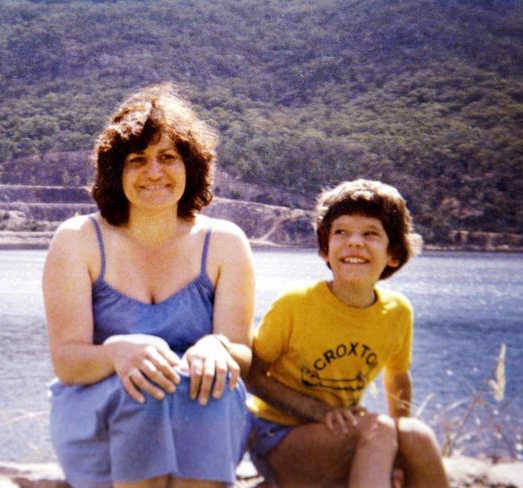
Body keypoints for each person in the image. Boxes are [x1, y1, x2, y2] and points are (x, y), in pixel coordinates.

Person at [42, 84, 255, 488]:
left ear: (190, 166)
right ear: (115, 172)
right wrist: (117, 351)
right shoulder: (77, 240)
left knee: (209, 386)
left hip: (198, 413)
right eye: (137, 160)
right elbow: (68, 362)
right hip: (103, 415)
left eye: (168, 157)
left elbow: (241, 355)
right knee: (144, 389)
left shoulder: (225, 243)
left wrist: (218, 345)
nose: (154, 171)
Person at [245, 179, 448, 488]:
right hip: (276, 437)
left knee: (416, 435)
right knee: (377, 428)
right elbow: (252, 374)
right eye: (341, 232)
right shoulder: (295, 304)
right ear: (326, 249)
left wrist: (401, 448)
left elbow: (398, 378)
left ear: (393, 254)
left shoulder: (397, 311)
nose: (354, 242)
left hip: (339, 433)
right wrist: (318, 411)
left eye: (370, 233)